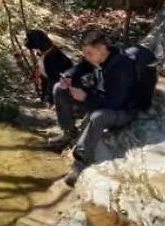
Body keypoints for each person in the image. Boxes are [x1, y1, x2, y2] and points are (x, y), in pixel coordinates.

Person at [50, 29, 137, 186]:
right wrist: (68, 76)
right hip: (99, 99)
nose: (87, 57)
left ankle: (80, 163)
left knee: (98, 116)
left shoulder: (121, 66)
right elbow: (81, 67)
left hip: (122, 111)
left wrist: (86, 97)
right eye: (85, 54)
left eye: (89, 53)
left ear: (102, 48)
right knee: (59, 89)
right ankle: (68, 132)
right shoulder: (97, 58)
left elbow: (115, 102)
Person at [24, 29, 73, 105]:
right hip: (58, 86)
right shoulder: (47, 53)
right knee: (45, 79)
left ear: (38, 41)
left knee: (52, 80)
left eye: (29, 40)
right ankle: (45, 98)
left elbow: (54, 78)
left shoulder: (53, 57)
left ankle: (52, 101)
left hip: (67, 89)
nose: (26, 41)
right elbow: (45, 77)